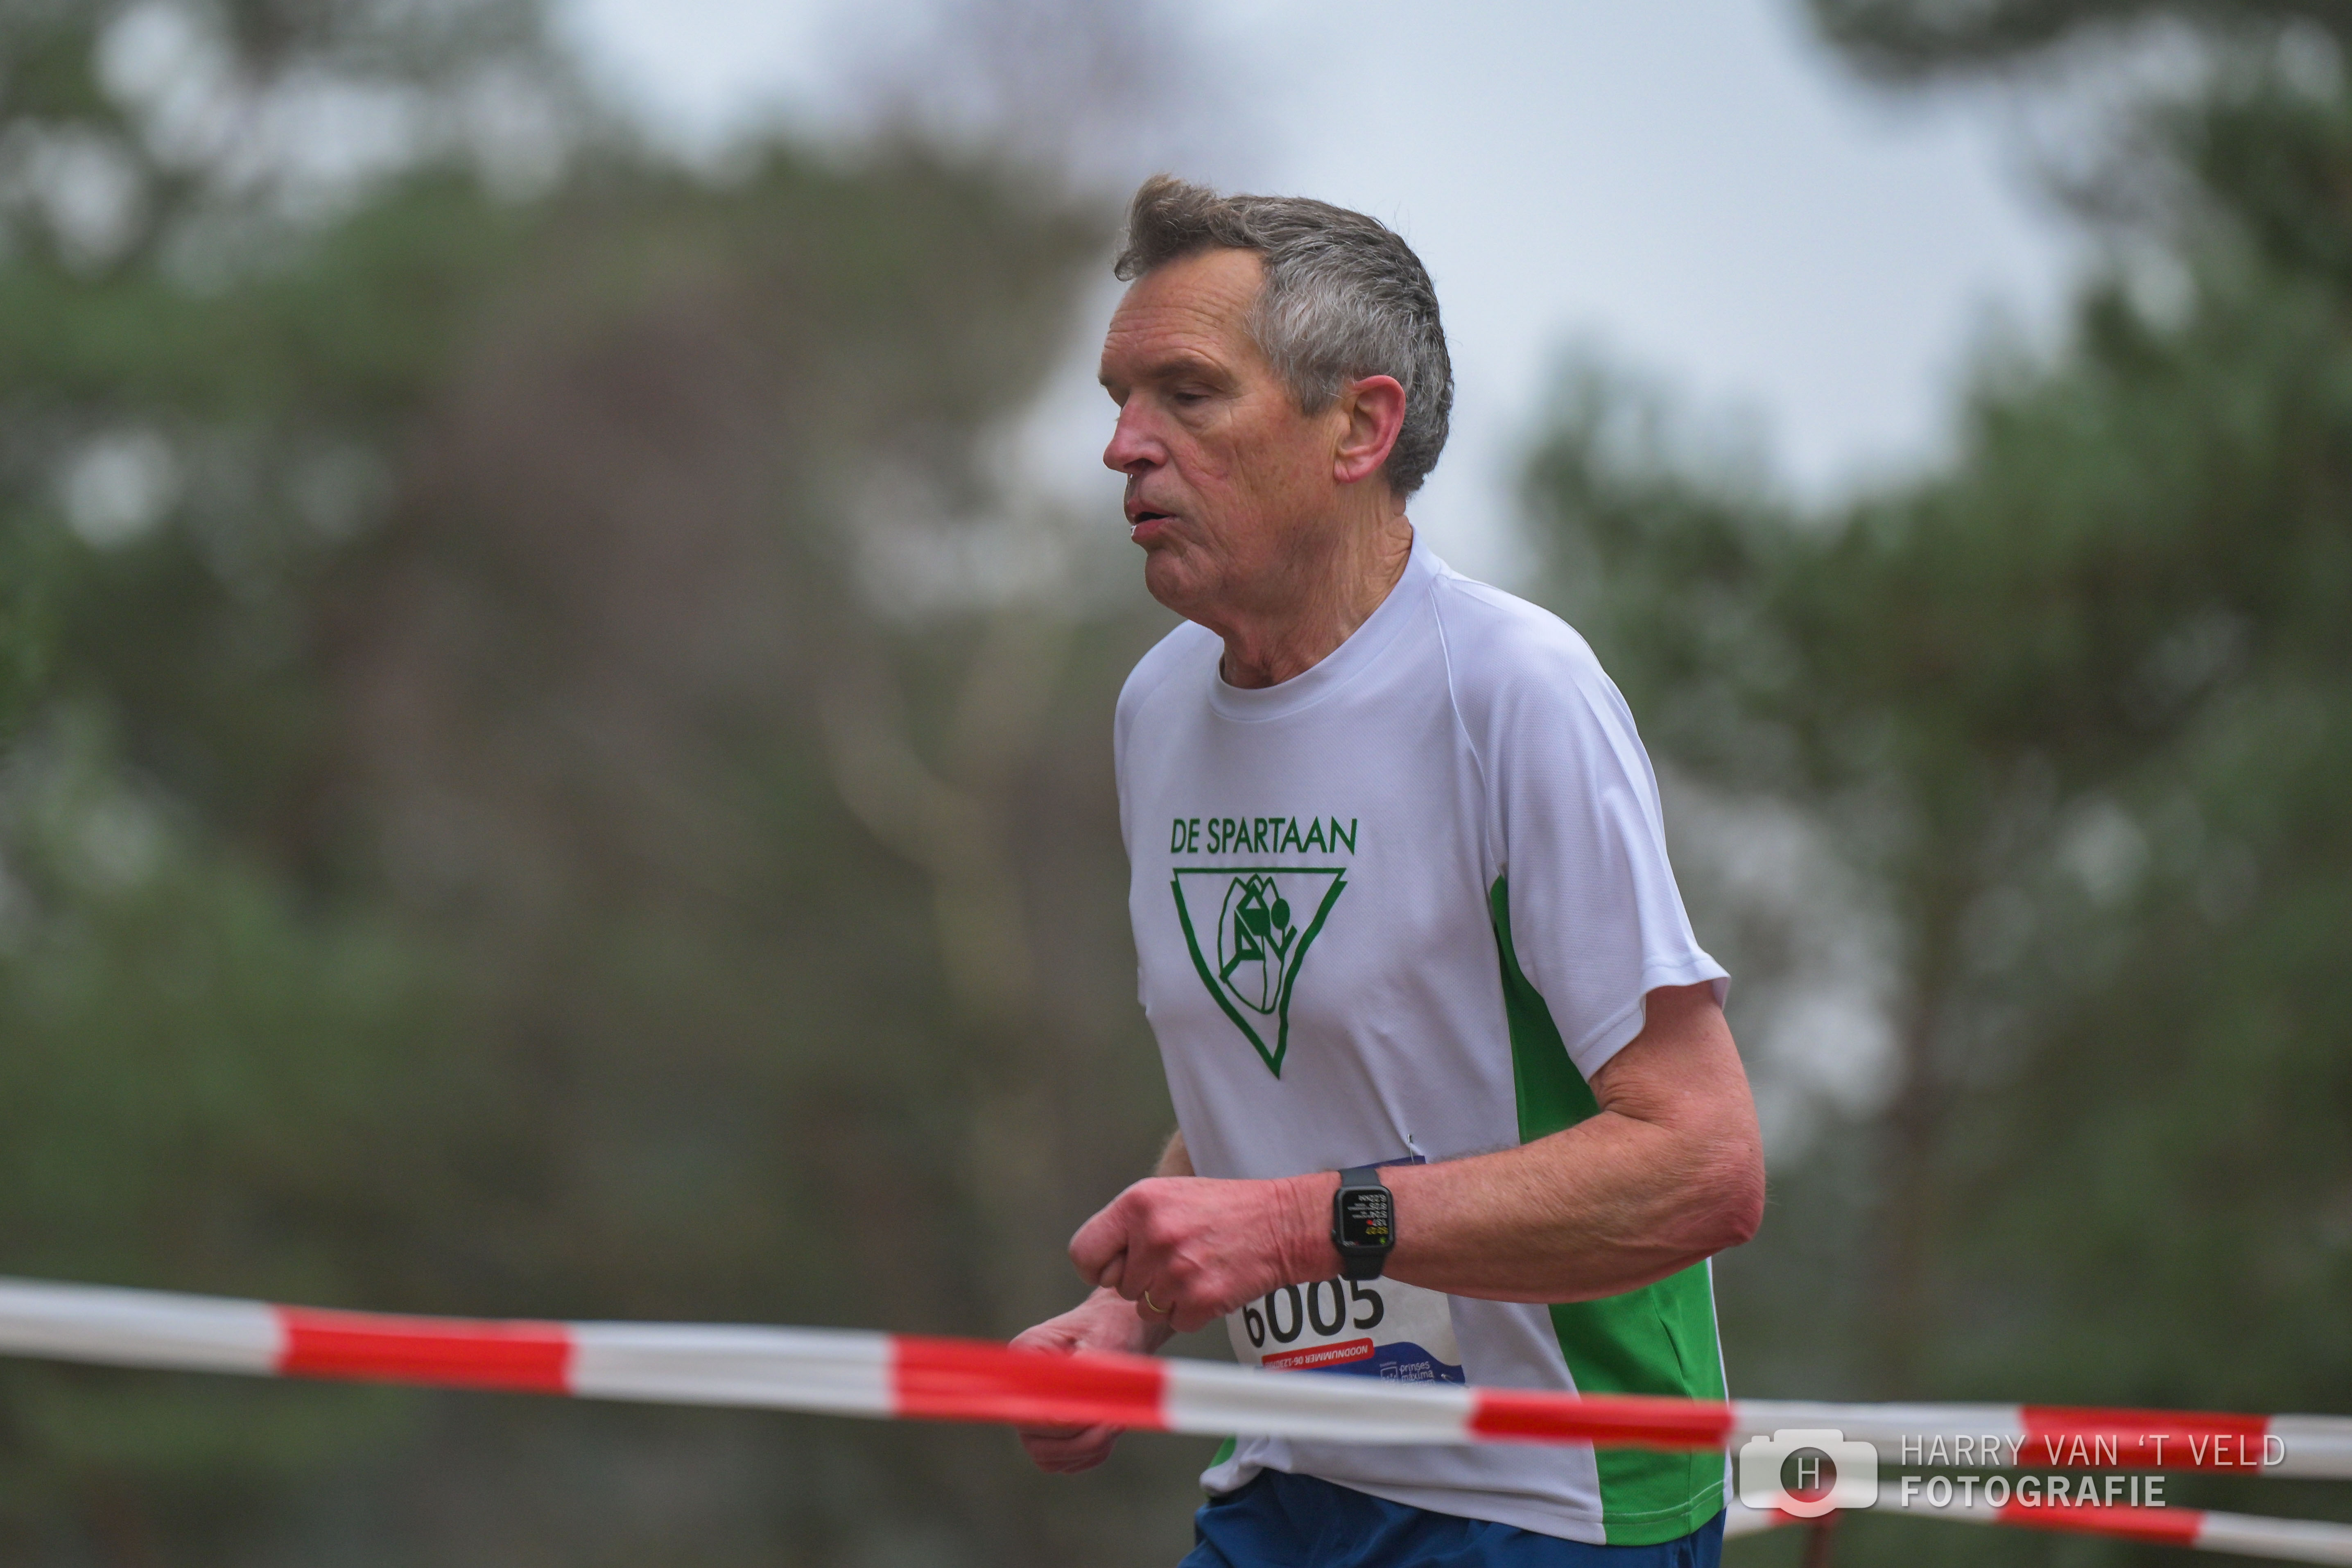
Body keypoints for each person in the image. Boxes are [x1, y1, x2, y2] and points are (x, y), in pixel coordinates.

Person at [1012, 175, 1766, 1568]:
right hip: (1292, 1473)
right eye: (1119, 399)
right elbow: (1283, 1067)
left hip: (1550, 1502)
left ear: (1360, 427)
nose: (1124, 446)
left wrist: (1304, 1228)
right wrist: (1134, 1308)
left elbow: (1705, 1169)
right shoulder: (1157, 708)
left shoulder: (1515, 689)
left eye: (1188, 395)